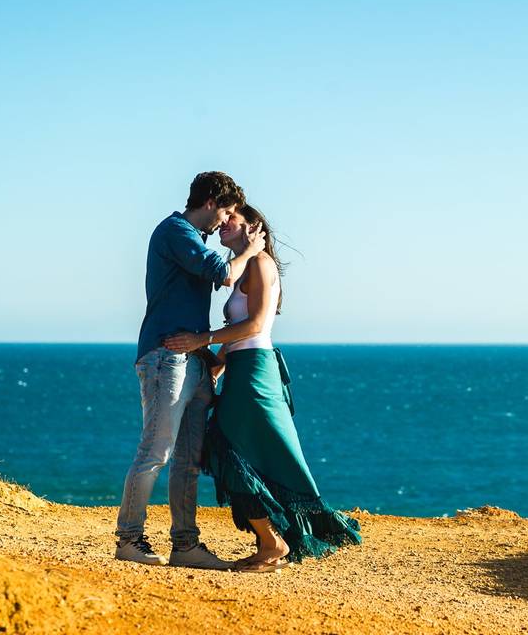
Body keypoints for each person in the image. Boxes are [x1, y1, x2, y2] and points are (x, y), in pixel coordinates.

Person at [164, 203, 362, 573]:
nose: (224, 223)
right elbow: (239, 334)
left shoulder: (260, 264)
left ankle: (272, 543)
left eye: (232, 218)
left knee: (226, 448)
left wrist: (199, 339)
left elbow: (254, 326)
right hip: (243, 369)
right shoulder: (246, 265)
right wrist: (218, 366)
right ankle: (269, 541)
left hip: (255, 372)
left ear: (253, 226)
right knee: (236, 450)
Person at [115, 172, 266, 567]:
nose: (225, 221)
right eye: (228, 211)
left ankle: (185, 545)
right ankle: (129, 540)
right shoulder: (175, 231)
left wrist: (209, 357)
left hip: (194, 360)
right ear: (212, 201)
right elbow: (225, 273)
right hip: (166, 357)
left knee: (186, 460)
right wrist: (249, 250)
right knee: (155, 452)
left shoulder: (191, 238)